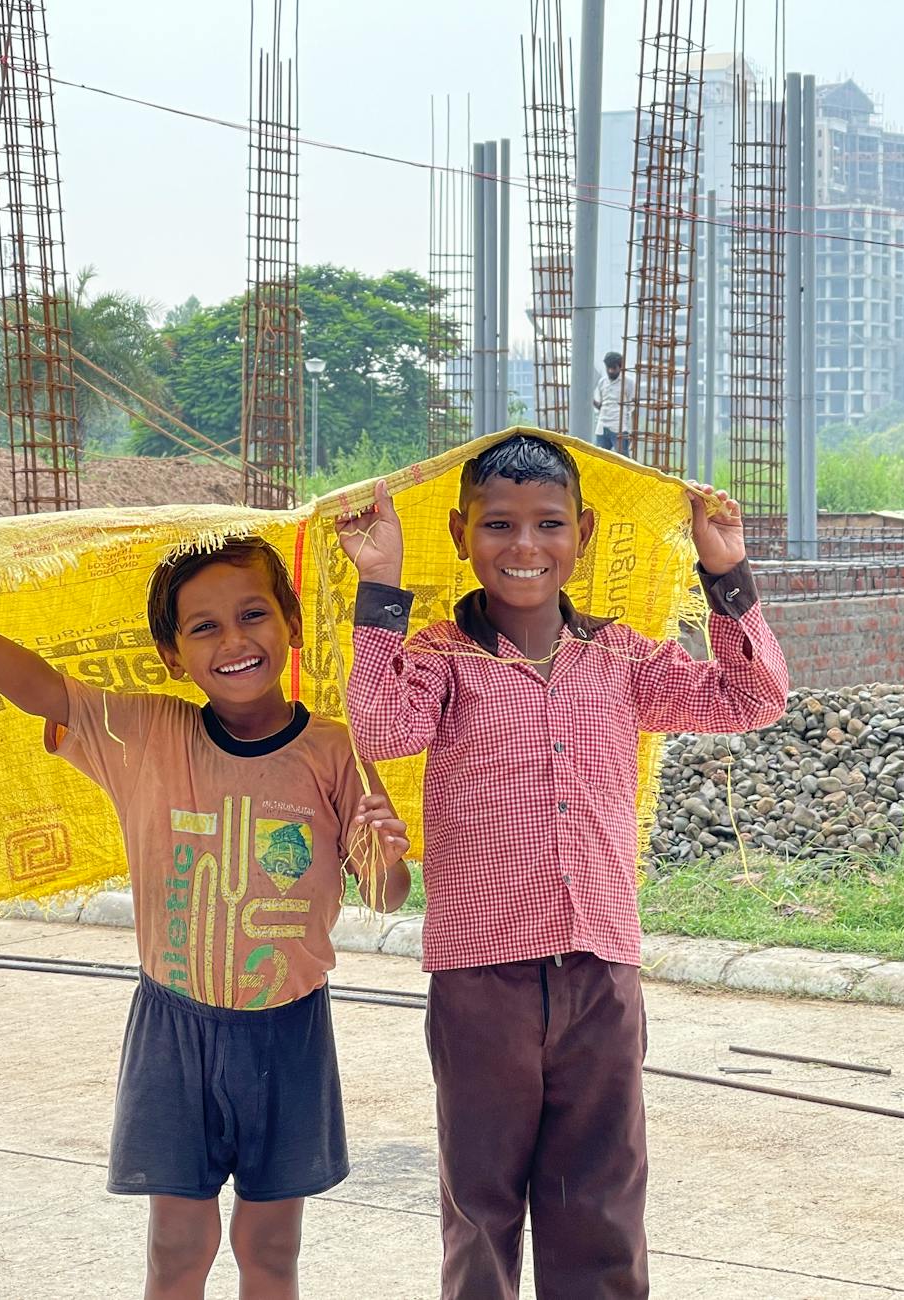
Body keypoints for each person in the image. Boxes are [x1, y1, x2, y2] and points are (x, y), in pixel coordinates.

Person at [0, 533, 412, 1300]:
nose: (233, 640)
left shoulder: (334, 749)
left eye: (253, 614)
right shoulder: (147, 733)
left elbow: (385, 894)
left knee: (272, 1247)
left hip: (288, 1031)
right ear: (171, 654)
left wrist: (385, 855)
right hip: (173, 1026)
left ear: (290, 623)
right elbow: (42, 691)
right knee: (178, 1246)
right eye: (203, 627)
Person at [333, 434, 789, 1300]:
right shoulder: (438, 658)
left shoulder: (621, 659)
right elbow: (384, 729)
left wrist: (725, 572)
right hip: (480, 979)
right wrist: (380, 586)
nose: (523, 547)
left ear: (579, 532)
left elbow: (752, 699)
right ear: (461, 531)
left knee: (603, 1208)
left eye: (547, 524)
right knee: (481, 1206)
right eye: (497, 525)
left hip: (599, 975)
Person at [592, 350, 630, 457]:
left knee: (623, 461)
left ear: (620, 367)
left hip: (619, 428)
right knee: (599, 459)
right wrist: (591, 401)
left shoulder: (627, 383)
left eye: (613, 368)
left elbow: (632, 406)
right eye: (608, 368)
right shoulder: (602, 382)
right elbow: (602, 406)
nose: (610, 371)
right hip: (602, 428)